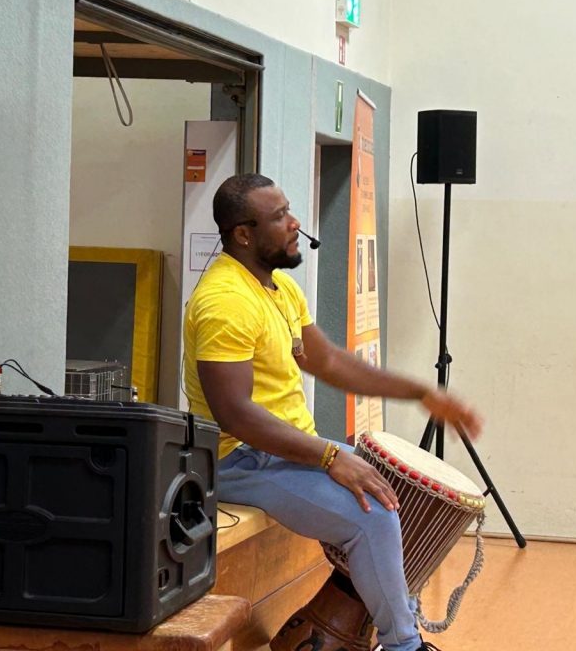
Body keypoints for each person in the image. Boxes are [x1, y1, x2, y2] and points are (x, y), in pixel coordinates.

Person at [183, 173, 483, 651]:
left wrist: (419, 391)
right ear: (243, 234)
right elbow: (234, 415)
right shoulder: (225, 302)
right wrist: (329, 456)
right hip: (236, 460)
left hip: (280, 453)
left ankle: (350, 623)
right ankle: (404, 645)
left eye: (288, 210)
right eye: (279, 216)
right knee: (373, 515)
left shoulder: (278, 289)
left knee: (395, 494)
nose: (295, 223)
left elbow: (329, 363)